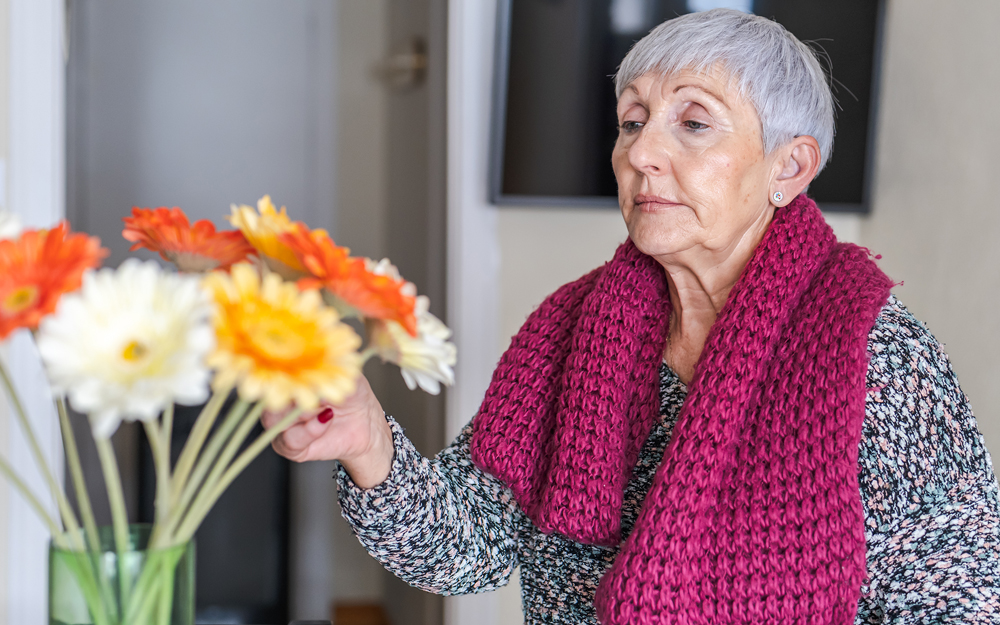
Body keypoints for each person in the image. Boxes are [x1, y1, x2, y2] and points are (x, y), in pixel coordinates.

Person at [265, 9, 1000, 624]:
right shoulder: (569, 329)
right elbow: (468, 548)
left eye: (694, 123)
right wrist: (366, 439)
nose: (642, 152)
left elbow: (962, 600)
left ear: (789, 167)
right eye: (632, 120)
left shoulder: (881, 357)